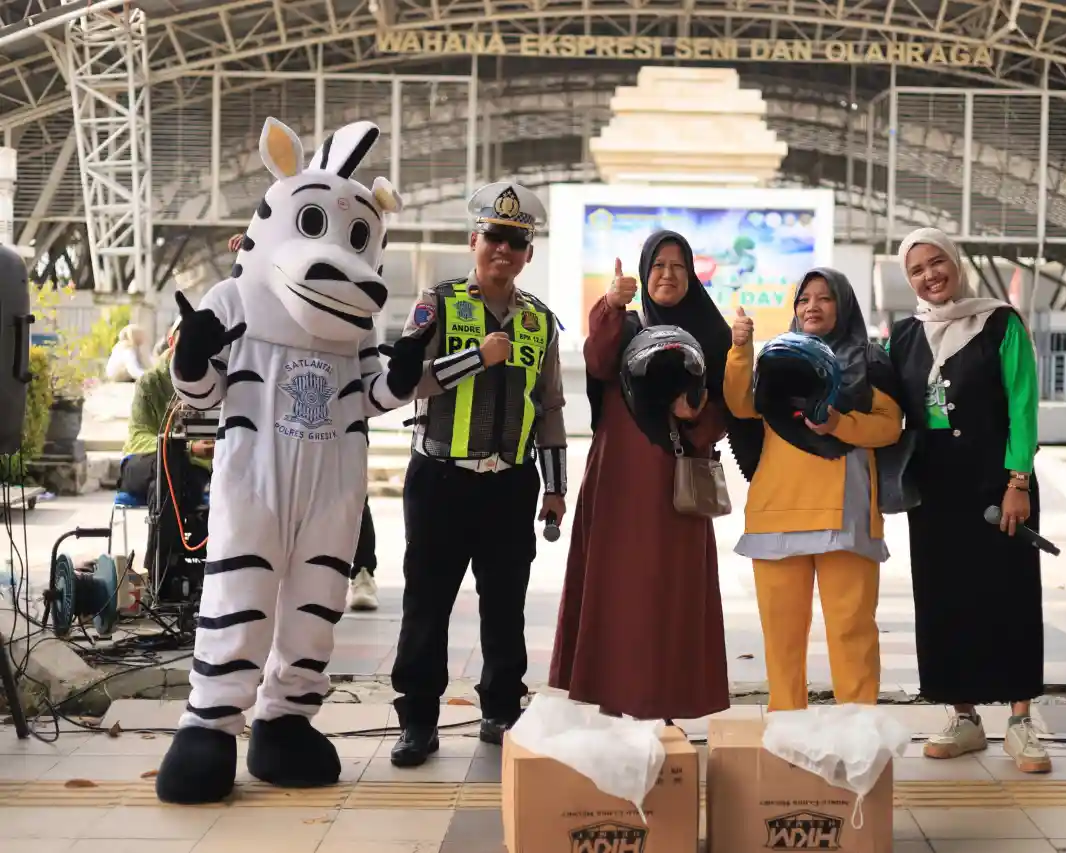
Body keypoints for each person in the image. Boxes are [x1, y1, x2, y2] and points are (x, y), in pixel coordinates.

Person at [155, 118, 419, 804]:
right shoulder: (238, 300)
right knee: (239, 596)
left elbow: (372, 394)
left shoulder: (354, 327)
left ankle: (285, 718)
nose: (340, 256)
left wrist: (410, 367)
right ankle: (211, 721)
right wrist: (190, 354)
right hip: (255, 479)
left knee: (315, 606)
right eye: (314, 225)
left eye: (359, 239)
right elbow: (202, 389)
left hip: (333, 488)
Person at [389, 181, 568, 766]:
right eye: (494, 237)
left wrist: (557, 488)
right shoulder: (437, 304)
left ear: (528, 255)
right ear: (473, 240)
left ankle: (501, 710)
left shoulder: (540, 322)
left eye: (516, 242)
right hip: (441, 478)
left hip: (511, 485)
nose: (503, 250)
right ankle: (418, 720)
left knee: (505, 603)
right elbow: (402, 383)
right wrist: (474, 357)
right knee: (427, 603)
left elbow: (551, 409)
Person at [549, 230, 733, 723]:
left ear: (691, 274)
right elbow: (598, 360)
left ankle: (664, 701)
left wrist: (695, 413)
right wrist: (609, 304)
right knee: (616, 588)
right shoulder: (625, 326)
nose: (668, 275)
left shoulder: (712, 335)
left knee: (667, 591)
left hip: (674, 484)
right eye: (658, 266)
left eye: (678, 266)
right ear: (644, 271)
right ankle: (613, 696)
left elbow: (726, 410)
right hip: (619, 479)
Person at [888, 227, 1049, 774]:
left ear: (955, 263)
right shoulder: (903, 335)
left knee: (1010, 591)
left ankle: (1022, 722)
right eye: (917, 269)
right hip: (933, 488)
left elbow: (1022, 403)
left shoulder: (999, 322)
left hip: (996, 480)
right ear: (907, 278)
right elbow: (887, 407)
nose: (930, 275)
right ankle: (964, 717)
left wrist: (1018, 480)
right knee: (944, 597)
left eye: (938, 263)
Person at [723, 269, 902, 712]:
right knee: (781, 635)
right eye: (804, 299)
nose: (813, 306)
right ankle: (786, 729)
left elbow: (889, 427)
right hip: (776, 510)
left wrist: (840, 423)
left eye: (825, 298)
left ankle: (858, 732)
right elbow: (741, 405)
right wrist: (741, 350)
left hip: (846, 511)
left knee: (851, 630)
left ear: (844, 305)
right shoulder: (777, 357)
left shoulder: (870, 360)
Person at [227, 229, 380, 612]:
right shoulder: (260, 282)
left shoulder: (345, 273)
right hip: (276, 421)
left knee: (345, 499)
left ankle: (361, 571)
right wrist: (249, 260)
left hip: (334, 411)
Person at [118, 319, 213, 574]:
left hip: (185, 475)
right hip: (141, 464)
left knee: (168, 478)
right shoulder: (149, 383)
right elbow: (138, 436)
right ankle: (166, 571)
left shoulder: (212, 387)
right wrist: (187, 448)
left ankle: (160, 570)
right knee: (169, 460)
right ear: (172, 342)